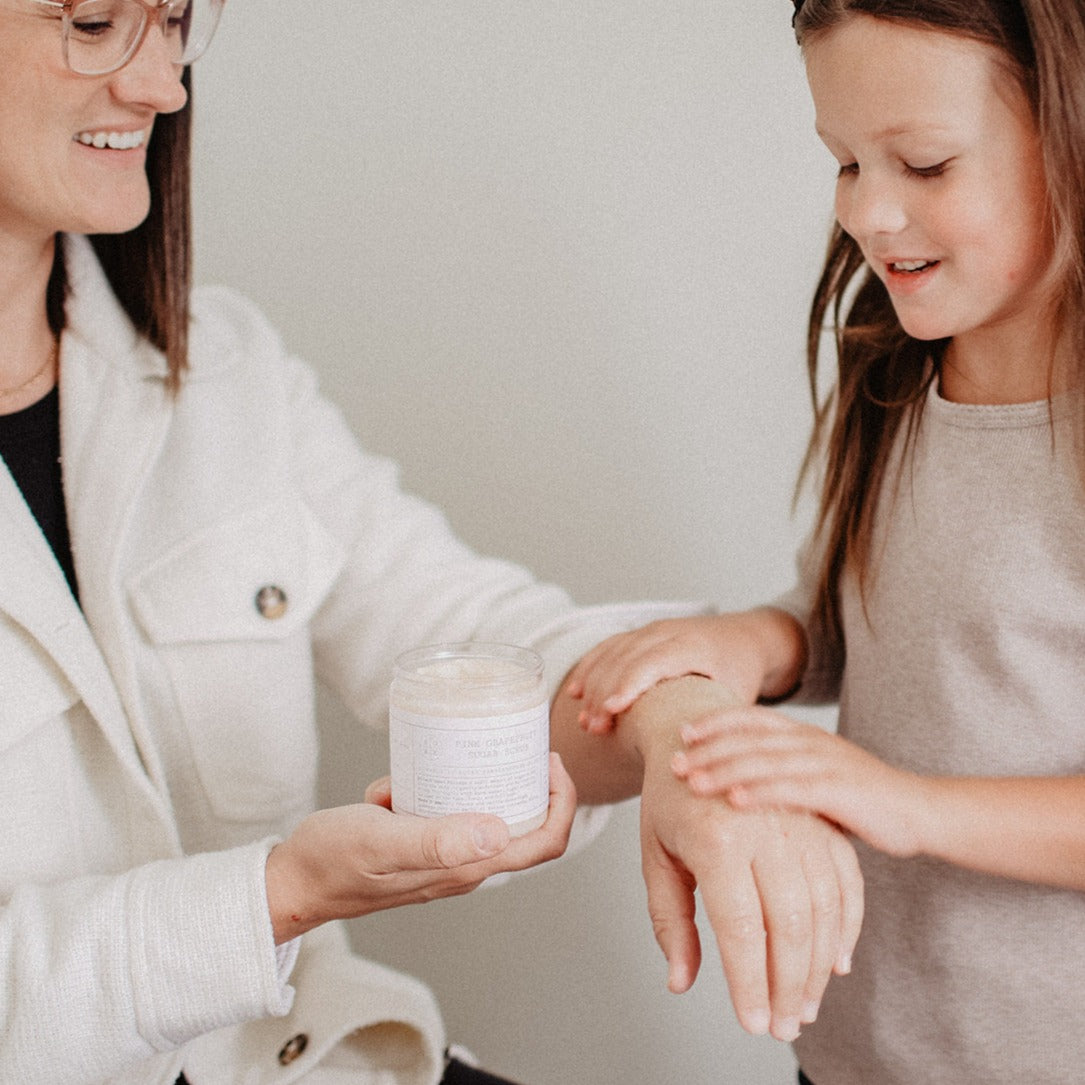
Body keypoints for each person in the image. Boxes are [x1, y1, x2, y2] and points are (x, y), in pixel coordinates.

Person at [0, 2, 864, 1082]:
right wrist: (281, 894)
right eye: (91, 23)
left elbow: (464, 631)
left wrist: (671, 716)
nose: (162, 87)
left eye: (174, 22)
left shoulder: (224, 372)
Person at [568, 1, 1085, 1082]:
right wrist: (753, 643)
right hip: (861, 1050)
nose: (871, 214)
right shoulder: (895, 359)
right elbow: (883, 621)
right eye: (844, 162)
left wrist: (900, 800)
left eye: (924, 163)